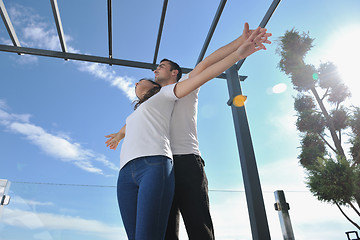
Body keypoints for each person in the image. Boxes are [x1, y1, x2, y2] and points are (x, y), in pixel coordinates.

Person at [105, 24, 271, 240]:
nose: (156, 70)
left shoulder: (186, 83)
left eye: (161, 66)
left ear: (175, 72)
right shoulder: (154, 99)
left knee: (198, 225)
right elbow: (135, 122)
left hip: (186, 161)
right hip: (161, 169)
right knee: (165, 232)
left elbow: (208, 63)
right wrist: (119, 135)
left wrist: (239, 43)